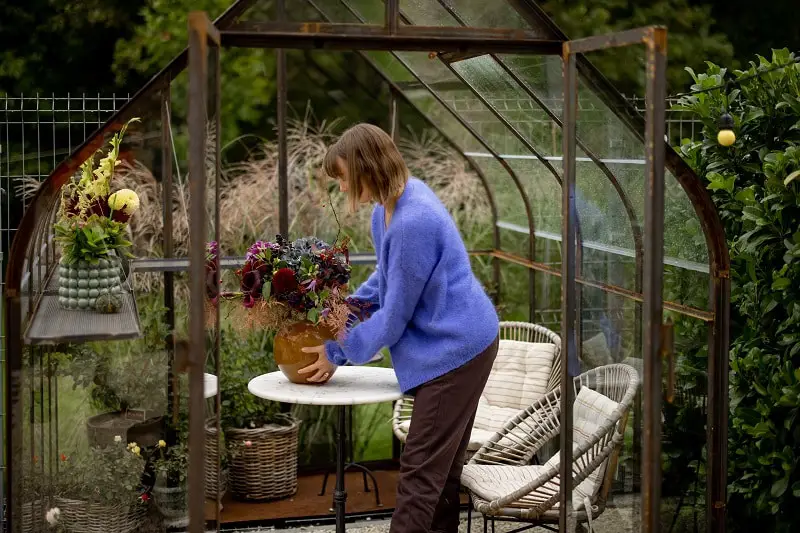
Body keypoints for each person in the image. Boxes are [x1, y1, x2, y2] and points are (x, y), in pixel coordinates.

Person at [299, 123, 499, 533]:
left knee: (420, 475)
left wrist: (338, 350)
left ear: (366, 168)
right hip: (455, 342)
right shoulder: (386, 209)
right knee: (439, 474)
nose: (341, 188)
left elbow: (393, 319)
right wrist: (346, 311)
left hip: (457, 352)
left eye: (343, 178)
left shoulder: (413, 222)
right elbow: (387, 280)